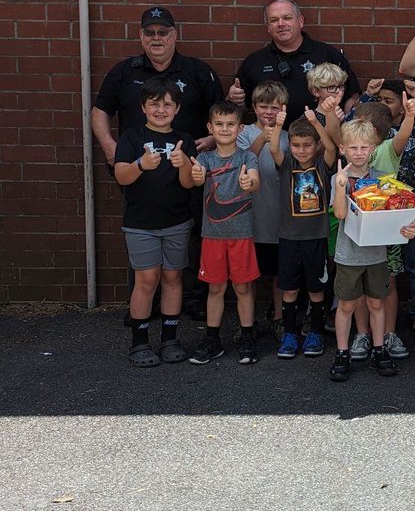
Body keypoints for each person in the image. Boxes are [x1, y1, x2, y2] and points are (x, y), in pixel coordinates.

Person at [112, 77, 197, 367]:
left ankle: (169, 338)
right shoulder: (131, 137)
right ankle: (140, 342)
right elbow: (121, 175)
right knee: (147, 279)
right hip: (140, 223)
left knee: (173, 278)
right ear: (143, 107)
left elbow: (189, 184)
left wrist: (184, 164)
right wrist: (140, 164)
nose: (161, 110)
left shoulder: (184, 140)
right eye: (154, 104)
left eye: (167, 104)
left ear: (177, 108)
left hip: (177, 221)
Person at [327, 120, 415, 382]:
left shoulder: (382, 179)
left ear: (373, 149)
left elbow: (394, 216)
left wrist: (408, 227)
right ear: (343, 149)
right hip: (349, 255)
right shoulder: (338, 178)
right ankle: (342, 353)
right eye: (353, 147)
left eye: (364, 147)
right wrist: (341, 186)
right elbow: (340, 213)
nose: (358, 152)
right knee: (346, 304)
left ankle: (379, 350)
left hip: (377, 254)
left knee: (376, 302)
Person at [93, 6, 223, 164]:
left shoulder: (198, 71)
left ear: (174, 35)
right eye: (149, 32)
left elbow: (222, 111)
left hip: (188, 167)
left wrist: (213, 139)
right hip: (135, 167)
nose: (156, 38)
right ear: (141, 35)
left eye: (163, 32)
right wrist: (109, 146)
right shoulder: (124, 72)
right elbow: (100, 111)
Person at [361, 78, 415, 339]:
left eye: (389, 100)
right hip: (382, 209)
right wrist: (367, 96)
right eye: (380, 100)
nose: (384, 104)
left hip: (412, 204)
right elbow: (351, 126)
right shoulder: (370, 136)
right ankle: (378, 323)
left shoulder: (411, 128)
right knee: (384, 268)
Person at [185, 101, 261, 366]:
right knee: (215, 288)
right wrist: (195, 175)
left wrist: (249, 182)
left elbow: (255, 180)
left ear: (240, 129)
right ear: (210, 127)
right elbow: (195, 179)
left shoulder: (247, 157)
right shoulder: (205, 159)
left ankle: (247, 336)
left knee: (243, 287)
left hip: (241, 235)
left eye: (230, 124)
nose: (225, 129)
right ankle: (212, 339)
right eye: (219, 124)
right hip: (213, 235)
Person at [269, 99, 342, 359]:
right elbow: (274, 148)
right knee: (289, 289)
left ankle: (316, 333)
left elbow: (332, 147)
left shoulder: (322, 164)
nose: (301, 150)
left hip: (316, 237)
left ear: (315, 145)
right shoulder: (287, 164)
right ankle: (290, 334)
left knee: (316, 289)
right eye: (296, 145)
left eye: (307, 145)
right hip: (289, 238)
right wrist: (278, 126)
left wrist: (315, 123)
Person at [229, 0, 361, 123]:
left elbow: (352, 97)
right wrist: (235, 100)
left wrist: (347, 125)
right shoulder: (254, 62)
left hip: (321, 135)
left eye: (287, 18)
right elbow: (237, 109)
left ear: (300, 21)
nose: (281, 24)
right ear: (268, 27)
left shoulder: (328, 55)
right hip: (270, 136)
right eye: (274, 20)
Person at [237, 81, 289, 339]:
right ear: (254, 107)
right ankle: (249, 322)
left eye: (274, 107)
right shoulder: (243, 132)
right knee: (249, 274)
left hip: (278, 216)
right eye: (263, 106)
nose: (269, 112)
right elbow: (239, 162)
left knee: (280, 273)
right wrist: (262, 137)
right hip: (250, 216)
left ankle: (279, 318)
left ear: (283, 109)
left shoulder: (288, 136)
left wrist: (276, 135)